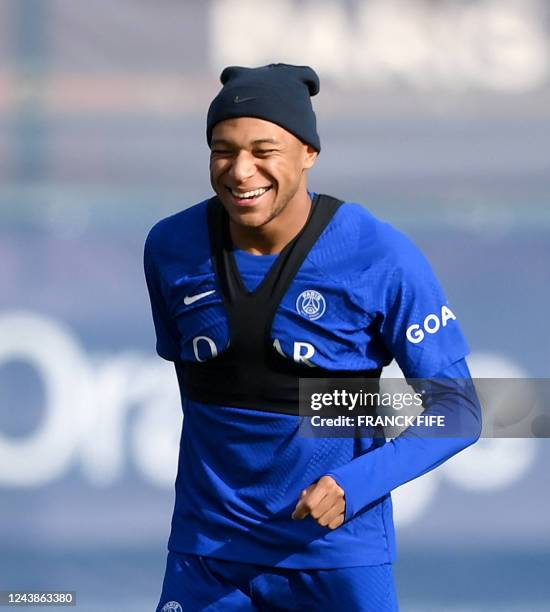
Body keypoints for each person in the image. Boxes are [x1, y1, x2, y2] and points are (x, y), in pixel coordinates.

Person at [144, 63, 482, 612]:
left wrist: (354, 484)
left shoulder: (380, 255)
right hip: (206, 561)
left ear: (309, 154)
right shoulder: (169, 246)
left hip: (336, 560)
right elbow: (209, 393)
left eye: (264, 150)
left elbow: (460, 410)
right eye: (222, 150)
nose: (239, 170)